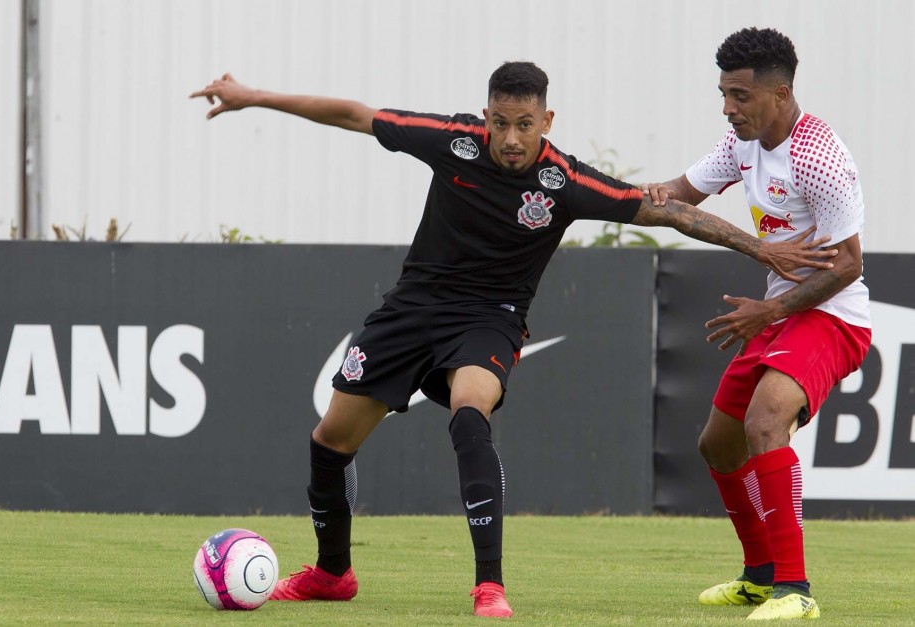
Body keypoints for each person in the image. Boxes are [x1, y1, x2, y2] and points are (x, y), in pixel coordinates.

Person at [191, 61, 836, 619]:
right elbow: (356, 115)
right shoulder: (452, 142)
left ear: (546, 121)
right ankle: (334, 575)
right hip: (412, 309)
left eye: (523, 124)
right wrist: (254, 96)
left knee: (471, 413)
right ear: (486, 116)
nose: (509, 138)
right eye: (499, 122)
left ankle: (489, 585)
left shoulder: (566, 182)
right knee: (330, 442)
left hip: (489, 318)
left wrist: (760, 248)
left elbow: (666, 208)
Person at [644, 28, 871, 621]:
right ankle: (758, 575)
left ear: (781, 92)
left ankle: (795, 589)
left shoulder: (819, 155)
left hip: (833, 316)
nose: (728, 108)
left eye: (740, 96)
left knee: (766, 420)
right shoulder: (739, 143)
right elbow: (677, 193)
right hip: (780, 313)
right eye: (724, 94)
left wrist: (769, 310)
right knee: (717, 445)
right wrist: (607, 192)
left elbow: (849, 265)